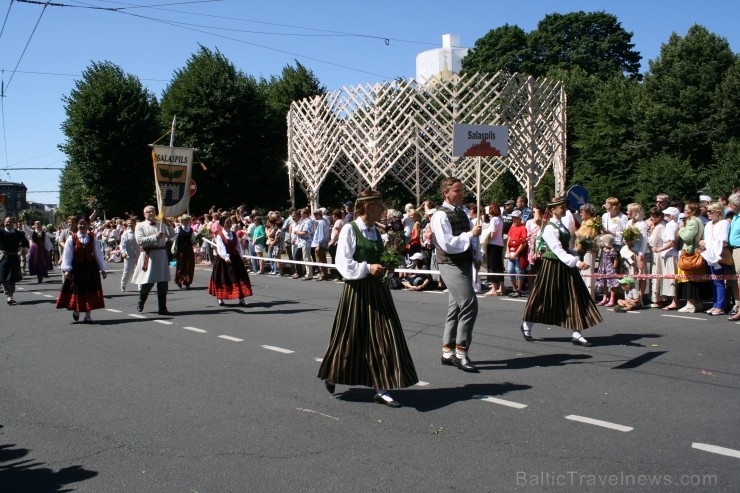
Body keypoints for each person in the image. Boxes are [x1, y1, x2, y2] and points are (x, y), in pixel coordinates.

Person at [317, 190, 418, 408]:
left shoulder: (375, 231)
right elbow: (342, 263)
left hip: (379, 291)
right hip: (357, 292)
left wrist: (388, 265)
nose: (382, 210)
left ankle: (382, 388)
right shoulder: (350, 229)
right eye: (379, 206)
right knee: (350, 337)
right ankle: (333, 373)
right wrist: (367, 267)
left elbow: (379, 260)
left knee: (385, 337)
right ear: (366, 207)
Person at [520, 196, 602, 346]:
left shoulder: (562, 225)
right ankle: (527, 325)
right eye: (562, 207)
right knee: (544, 298)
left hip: (565, 265)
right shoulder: (549, 228)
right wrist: (576, 262)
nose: (565, 209)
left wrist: (576, 250)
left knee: (575, 297)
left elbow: (564, 248)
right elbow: (557, 250)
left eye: (565, 207)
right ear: (553, 210)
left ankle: (577, 333)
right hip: (552, 266)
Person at [431, 177, 483, 372]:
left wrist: (477, 254)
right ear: (446, 193)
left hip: (464, 262)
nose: (461, 194)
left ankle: (447, 352)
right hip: (450, 263)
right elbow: (448, 244)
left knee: (455, 308)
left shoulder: (462, 212)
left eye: (462, 191)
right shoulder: (440, 215)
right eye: (457, 191)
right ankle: (462, 352)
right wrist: (470, 235)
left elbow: (473, 237)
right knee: (469, 304)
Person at [56, 217, 108, 323]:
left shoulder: (93, 238)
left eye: (84, 223)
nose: (82, 225)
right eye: (80, 224)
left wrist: (102, 268)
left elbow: (98, 253)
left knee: (89, 290)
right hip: (77, 268)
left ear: (88, 225)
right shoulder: (72, 238)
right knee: (78, 290)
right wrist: (66, 269)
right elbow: (67, 254)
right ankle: (77, 310)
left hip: (90, 268)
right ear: (77, 225)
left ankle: (88, 315)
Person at [131, 205, 175, 315]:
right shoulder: (140, 226)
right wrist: (155, 237)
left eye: (153, 211)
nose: (151, 213)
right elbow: (140, 241)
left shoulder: (161, 224)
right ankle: (141, 301)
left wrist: (168, 223)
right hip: (148, 255)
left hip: (161, 255)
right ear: (144, 214)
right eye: (148, 212)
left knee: (163, 283)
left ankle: (162, 308)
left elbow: (172, 235)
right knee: (147, 283)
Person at [208, 216, 252, 307]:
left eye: (230, 222)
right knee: (223, 278)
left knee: (239, 277)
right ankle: (220, 298)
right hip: (224, 260)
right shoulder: (220, 235)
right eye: (227, 222)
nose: (228, 224)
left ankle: (241, 299)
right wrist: (226, 257)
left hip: (235, 258)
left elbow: (238, 246)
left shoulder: (234, 234)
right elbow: (220, 248)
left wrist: (241, 256)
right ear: (223, 224)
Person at [676, 202, 707, 313]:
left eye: (686, 210)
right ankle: (697, 303)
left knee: (689, 279)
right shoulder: (698, 221)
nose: (684, 212)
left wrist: (681, 228)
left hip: (691, 254)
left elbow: (687, 237)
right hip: (697, 253)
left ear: (693, 211)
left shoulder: (692, 222)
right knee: (697, 280)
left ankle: (690, 304)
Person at [700, 202, 729, 315]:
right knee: (713, 280)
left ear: (718, 212)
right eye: (707, 211)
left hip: (718, 255)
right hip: (709, 254)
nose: (708, 214)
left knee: (719, 280)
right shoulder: (708, 224)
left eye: (711, 211)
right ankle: (715, 303)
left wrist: (707, 244)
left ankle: (720, 306)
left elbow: (722, 240)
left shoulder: (724, 223)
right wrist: (703, 243)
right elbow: (707, 238)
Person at [0, 216, 30, 306]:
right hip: (3, 257)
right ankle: (8, 294)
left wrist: (24, 250)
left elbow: (25, 243)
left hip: (14, 257)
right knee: (4, 277)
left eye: (10, 222)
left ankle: (10, 295)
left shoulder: (19, 234)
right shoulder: (1, 232)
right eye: (7, 222)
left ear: (14, 223)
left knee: (12, 278)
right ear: (4, 223)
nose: (8, 223)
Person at [656, 207, 681, 311]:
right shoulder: (671, 225)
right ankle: (673, 300)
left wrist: (659, 249)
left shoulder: (672, 225)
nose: (665, 216)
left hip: (671, 254)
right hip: (668, 254)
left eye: (667, 215)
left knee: (671, 278)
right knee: (669, 278)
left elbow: (672, 242)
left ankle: (675, 301)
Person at [483, 202, 505, 296]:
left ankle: (494, 288)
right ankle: (501, 287)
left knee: (492, 266)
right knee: (499, 266)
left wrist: (485, 238)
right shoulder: (499, 219)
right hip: (499, 244)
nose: (488, 213)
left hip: (493, 244)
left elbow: (492, 234)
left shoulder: (493, 220)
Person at [505, 209, 528, 297]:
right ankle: (514, 288)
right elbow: (509, 239)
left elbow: (523, 242)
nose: (513, 219)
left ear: (519, 218)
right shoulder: (512, 227)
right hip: (511, 251)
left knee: (519, 270)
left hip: (518, 252)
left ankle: (519, 289)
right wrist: (507, 251)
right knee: (510, 270)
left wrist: (516, 253)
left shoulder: (523, 228)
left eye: (514, 218)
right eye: (512, 218)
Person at [646, 207, 666, 308]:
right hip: (655, 252)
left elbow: (651, 241)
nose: (652, 218)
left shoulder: (659, 227)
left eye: (654, 216)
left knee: (656, 275)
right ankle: (655, 298)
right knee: (654, 275)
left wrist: (650, 232)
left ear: (659, 217)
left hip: (658, 252)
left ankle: (657, 299)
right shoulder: (657, 226)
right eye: (651, 216)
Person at [173, 214, 197, 289]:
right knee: (181, 265)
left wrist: (196, 242)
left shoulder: (191, 229)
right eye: (185, 220)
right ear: (182, 221)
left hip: (189, 249)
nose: (186, 222)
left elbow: (193, 240)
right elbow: (174, 239)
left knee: (190, 265)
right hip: (181, 249)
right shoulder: (178, 229)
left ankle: (187, 282)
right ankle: (179, 280)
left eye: (188, 220)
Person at [595, 234, 619, 307]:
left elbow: (615, 260)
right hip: (603, 267)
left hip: (609, 267)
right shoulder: (603, 249)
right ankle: (605, 297)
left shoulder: (612, 250)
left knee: (612, 283)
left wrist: (613, 268)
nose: (601, 242)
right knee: (604, 283)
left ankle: (612, 299)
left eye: (603, 241)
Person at [726, 192, 740, 321]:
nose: (729, 207)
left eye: (730, 204)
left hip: (739, 250)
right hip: (733, 250)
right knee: (735, 280)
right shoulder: (735, 216)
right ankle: (738, 305)